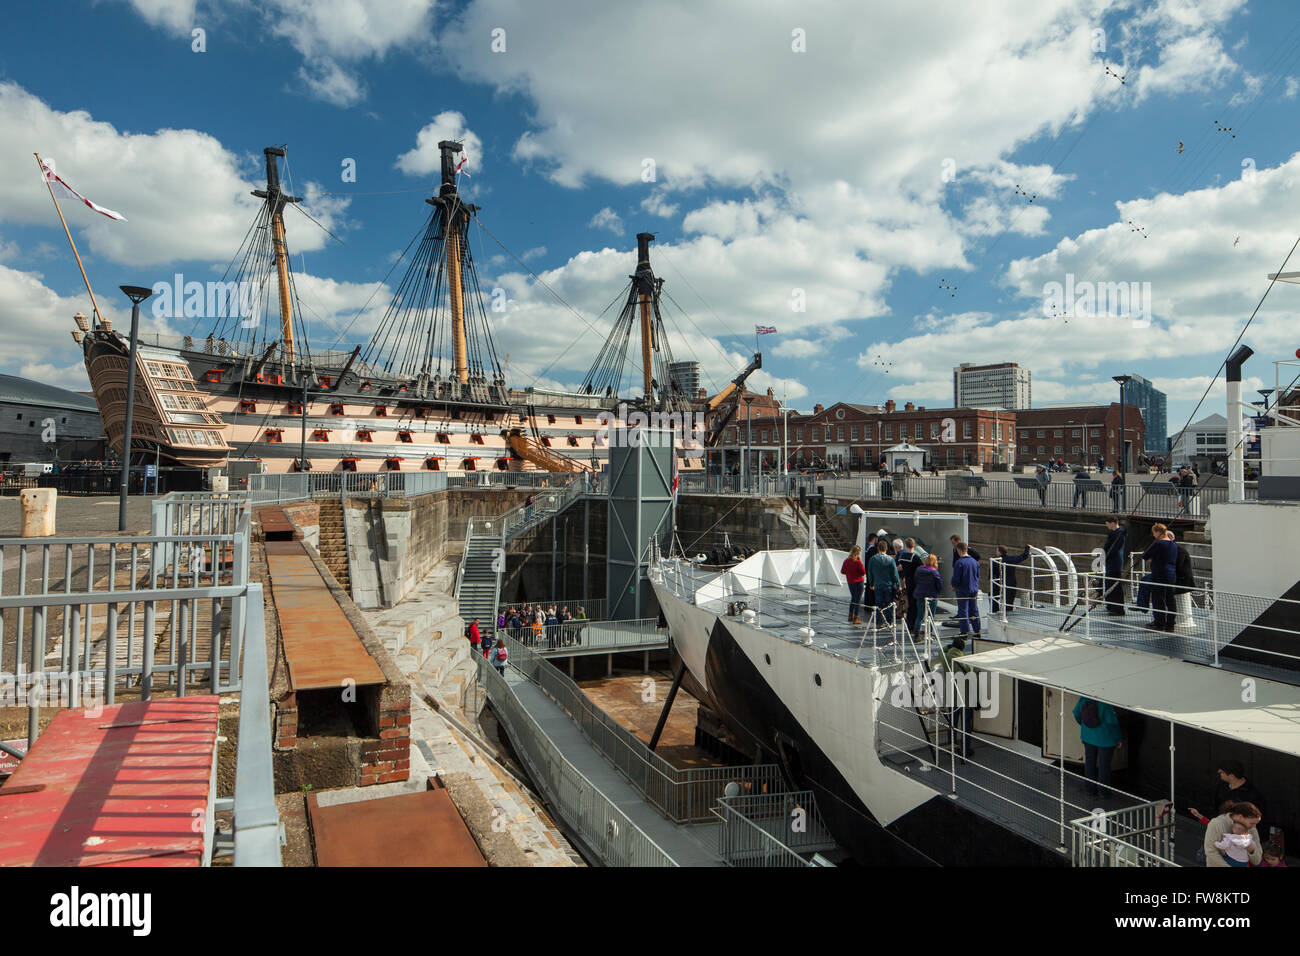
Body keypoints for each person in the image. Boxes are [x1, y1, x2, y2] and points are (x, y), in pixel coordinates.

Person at [1189, 760, 1268, 836]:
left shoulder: (1252, 797)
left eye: (1222, 773)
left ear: (1231, 776)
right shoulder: (1222, 786)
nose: (1219, 774)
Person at [1072, 696, 1122, 796]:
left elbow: (1076, 713)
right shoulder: (1105, 703)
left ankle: (1090, 790)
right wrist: (1118, 738)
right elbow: (1112, 723)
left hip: (1087, 737)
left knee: (1089, 763)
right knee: (1104, 766)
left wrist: (1085, 728)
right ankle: (1104, 792)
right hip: (1105, 740)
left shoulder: (1084, 698)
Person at [936, 635, 975, 757]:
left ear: (953, 646)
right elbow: (971, 671)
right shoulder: (965, 660)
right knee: (966, 725)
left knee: (952, 724)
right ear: (962, 649)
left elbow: (940, 651)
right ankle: (965, 749)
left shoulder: (945, 658)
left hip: (952, 698)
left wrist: (948, 647)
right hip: (966, 698)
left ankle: (951, 749)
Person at [1142, 522, 1178, 632]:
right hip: (1171, 575)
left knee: (1159, 600)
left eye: (1154, 533)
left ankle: (1160, 624)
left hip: (1159, 574)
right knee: (1170, 599)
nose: (1154, 535)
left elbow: (1145, 556)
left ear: (1158, 532)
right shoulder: (1174, 545)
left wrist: (1153, 559)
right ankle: (1170, 625)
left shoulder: (1158, 544)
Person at [1204, 803, 1263, 867]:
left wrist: (1251, 850)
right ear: (1240, 817)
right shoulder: (1217, 824)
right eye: (1252, 823)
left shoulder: (1252, 829)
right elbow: (1211, 852)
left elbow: (1257, 861)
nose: (1254, 826)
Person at [867, 539, 902, 627]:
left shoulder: (873, 559)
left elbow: (869, 573)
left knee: (878, 604)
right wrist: (898, 585)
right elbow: (895, 574)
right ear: (886, 548)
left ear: (878, 548)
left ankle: (879, 622)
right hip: (888, 585)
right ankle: (889, 621)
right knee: (888, 604)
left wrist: (871, 584)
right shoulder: (890, 560)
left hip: (877, 585)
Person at [950, 542, 981, 637]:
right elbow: (977, 576)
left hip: (963, 589)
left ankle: (964, 632)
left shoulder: (959, 562)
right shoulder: (975, 562)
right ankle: (977, 631)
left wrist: (953, 585)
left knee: (963, 610)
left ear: (959, 550)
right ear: (966, 549)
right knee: (974, 609)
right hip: (974, 589)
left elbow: (956, 578)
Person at [991, 544, 1031, 615]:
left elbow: (992, 574)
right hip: (1011, 582)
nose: (996, 552)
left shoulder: (996, 561)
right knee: (1009, 601)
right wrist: (1027, 547)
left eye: (997, 551)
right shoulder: (1011, 559)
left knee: (993, 596)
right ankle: (1008, 614)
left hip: (1000, 582)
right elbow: (1024, 556)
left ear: (1000, 552)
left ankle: (995, 612)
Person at [896, 538, 923, 632]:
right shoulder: (915, 558)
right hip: (915, 582)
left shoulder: (902, 557)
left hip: (906, 581)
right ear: (914, 545)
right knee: (914, 604)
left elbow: (899, 568)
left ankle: (909, 622)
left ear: (906, 545)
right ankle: (913, 625)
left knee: (909, 603)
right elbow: (921, 568)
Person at [1102, 516, 1127, 614]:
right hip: (1110, 562)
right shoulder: (1113, 534)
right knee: (1109, 583)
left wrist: (1107, 555)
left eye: (1107, 524)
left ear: (1112, 523)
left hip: (1115, 563)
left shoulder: (1120, 534)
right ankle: (1111, 604)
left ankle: (1118, 608)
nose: (1107, 526)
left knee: (1115, 585)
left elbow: (1115, 548)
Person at [913, 554, 943, 632]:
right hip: (932, 595)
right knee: (931, 616)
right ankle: (929, 633)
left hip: (920, 595)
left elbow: (916, 580)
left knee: (919, 616)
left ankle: (916, 634)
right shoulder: (935, 572)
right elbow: (939, 585)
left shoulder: (918, 570)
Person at [841, 545, 867, 626]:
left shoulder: (846, 561)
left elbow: (842, 571)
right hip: (858, 582)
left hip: (850, 582)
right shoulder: (858, 562)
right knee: (857, 600)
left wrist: (849, 574)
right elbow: (863, 572)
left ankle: (850, 615)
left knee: (853, 598)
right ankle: (856, 618)